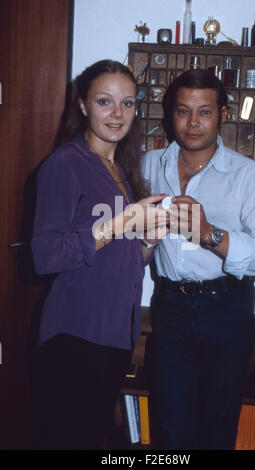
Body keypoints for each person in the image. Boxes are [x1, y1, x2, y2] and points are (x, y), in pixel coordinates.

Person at [31, 59, 169, 450]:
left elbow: (119, 260)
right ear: (82, 105)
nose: (117, 114)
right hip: (75, 336)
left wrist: (149, 241)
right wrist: (122, 222)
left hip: (115, 334)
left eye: (127, 103)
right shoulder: (64, 164)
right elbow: (46, 255)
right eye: (105, 101)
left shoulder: (121, 168)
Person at [141, 69, 255, 450]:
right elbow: (128, 246)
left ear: (223, 114)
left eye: (204, 112)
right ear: (171, 113)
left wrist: (209, 234)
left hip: (228, 307)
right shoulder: (147, 166)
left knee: (217, 426)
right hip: (169, 305)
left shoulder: (248, 176)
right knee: (170, 425)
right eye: (184, 111)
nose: (193, 122)